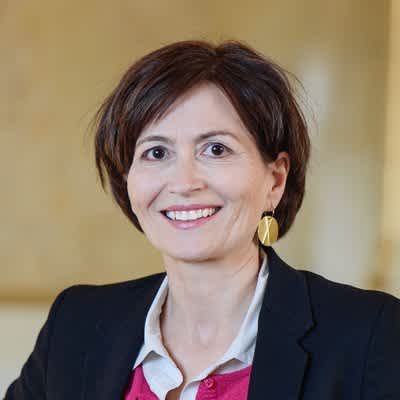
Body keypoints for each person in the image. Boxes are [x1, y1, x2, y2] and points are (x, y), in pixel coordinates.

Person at [5, 40, 400, 400]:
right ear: (128, 181)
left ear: (275, 179)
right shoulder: (75, 326)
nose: (184, 183)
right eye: (156, 153)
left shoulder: (370, 335)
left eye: (215, 149)